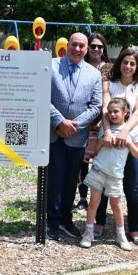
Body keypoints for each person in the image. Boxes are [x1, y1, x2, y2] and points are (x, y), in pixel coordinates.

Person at [47, 33, 102, 241]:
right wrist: (60, 122)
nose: (77, 49)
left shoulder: (93, 74)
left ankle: (65, 219)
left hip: (77, 136)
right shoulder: (51, 65)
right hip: (54, 132)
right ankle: (51, 221)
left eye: (81, 46)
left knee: (71, 180)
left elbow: (96, 106)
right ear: (67, 45)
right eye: (74, 45)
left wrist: (74, 125)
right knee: (54, 179)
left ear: (86, 50)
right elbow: (42, 94)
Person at [93, 47, 138, 245]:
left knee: (131, 186)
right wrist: (108, 131)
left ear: (137, 67)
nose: (128, 66)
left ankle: (133, 228)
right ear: (119, 64)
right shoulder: (109, 83)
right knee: (102, 181)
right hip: (108, 136)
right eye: (125, 62)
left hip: (130, 137)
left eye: (132, 63)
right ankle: (99, 222)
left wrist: (125, 131)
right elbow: (105, 110)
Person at [79, 98, 138, 251]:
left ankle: (121, 235)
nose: (112, 115)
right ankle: (88, 232)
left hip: (115, 175)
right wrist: (102, 141)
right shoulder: (104, 129)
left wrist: (128, 142)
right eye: (110, 112)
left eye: (116, 111)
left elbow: (137, 154)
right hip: (98, 171)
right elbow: (95, 151)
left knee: (117, 206)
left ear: (125, 113)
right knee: (93, 204)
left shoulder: (132, 131)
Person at [75, 32, 112, 210]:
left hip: (105, 121)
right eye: (93, 46)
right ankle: (83, 197)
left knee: (101, 161)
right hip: (83, 120)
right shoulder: (80, 66)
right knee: (82, 161)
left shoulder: (111, 69)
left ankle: (100, 200)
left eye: (100, 46)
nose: (96, 49)